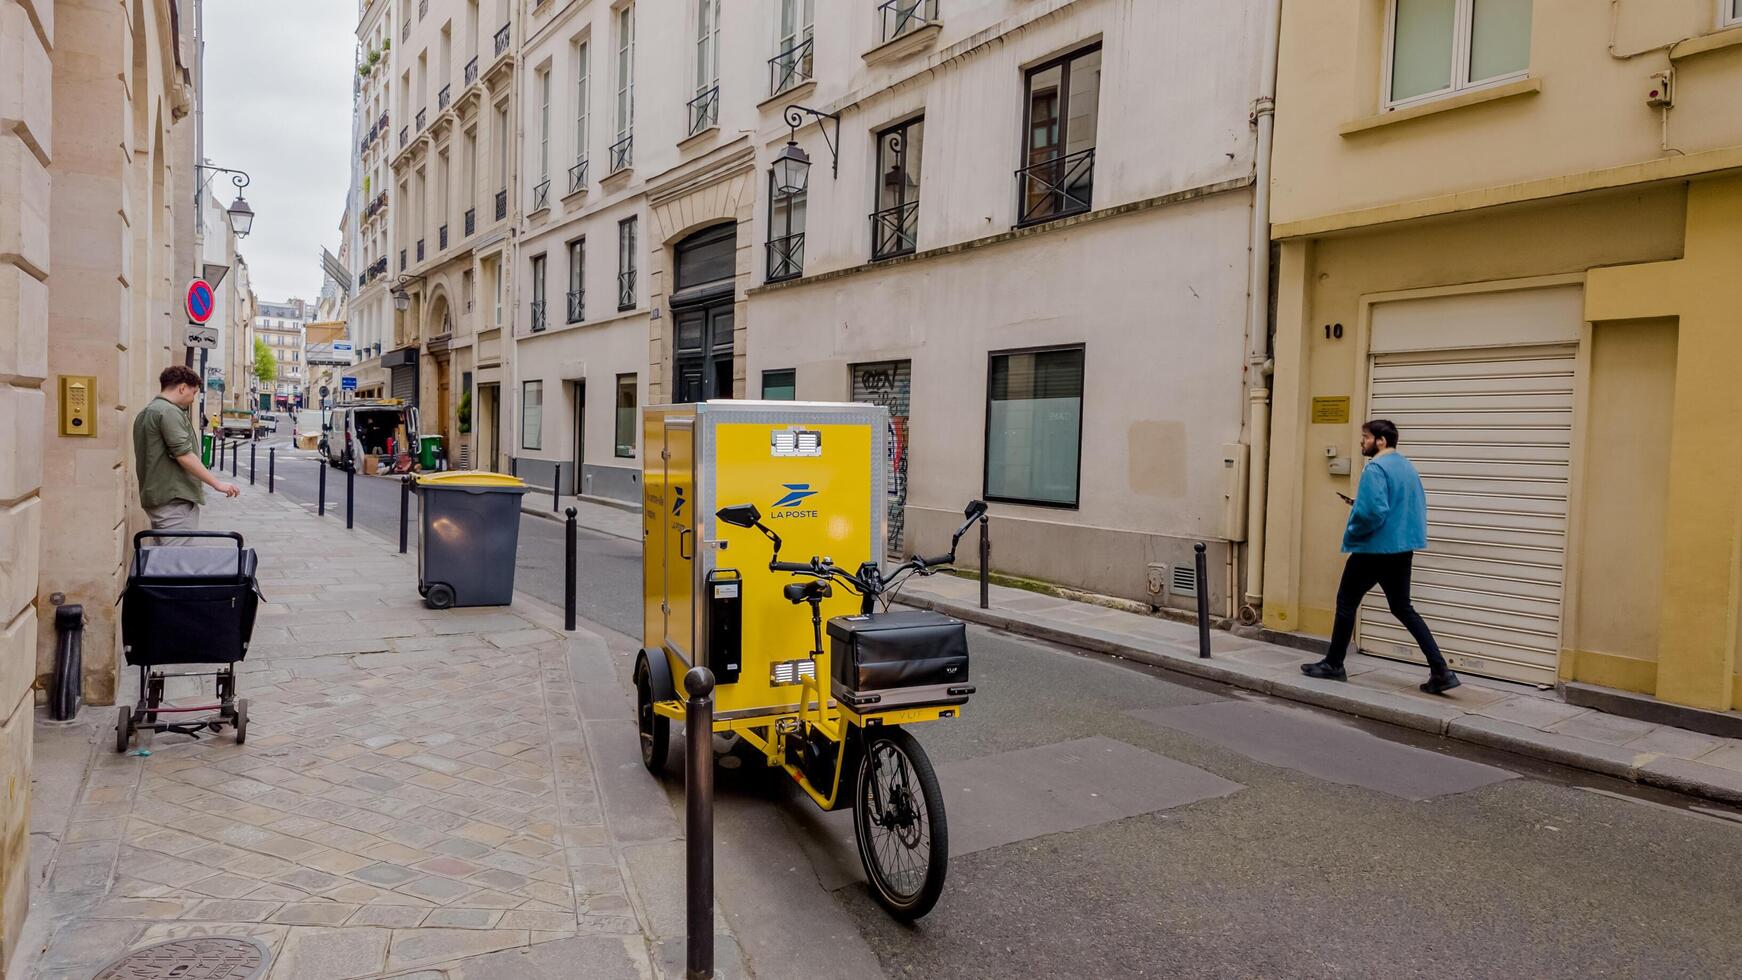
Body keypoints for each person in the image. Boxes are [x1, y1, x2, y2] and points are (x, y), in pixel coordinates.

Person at [1302, 419, 1461, 695]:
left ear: (1381, 441)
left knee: (1346, 601)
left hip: (1374, 549)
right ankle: (1441, 671)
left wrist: (1354, 525)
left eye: (1365, 437)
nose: (1361, 441)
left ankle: (1334, 665)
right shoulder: (1407, 467)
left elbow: (1372, 514)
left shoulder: (1375, 468)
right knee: (1403, 608)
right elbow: (1408, 506)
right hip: (1401, 549)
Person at [133, 365, 241, 543]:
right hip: (174, 500)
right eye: (194, 392)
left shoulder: (147, 412)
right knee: (176, 562)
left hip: (159, 496)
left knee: (165, 559)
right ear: (182, 387)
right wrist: (217, 484)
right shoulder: (169, 412)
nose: (193, 398)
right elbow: (183, 454)